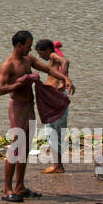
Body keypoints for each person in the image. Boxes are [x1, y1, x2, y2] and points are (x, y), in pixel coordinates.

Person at [0, 31, 63, 203]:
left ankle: (20, 186)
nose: (30, 48)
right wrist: (21, 82)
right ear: (19, 46)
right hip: (17, 108)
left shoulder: (29, 60)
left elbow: (48, 69)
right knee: (15, 148)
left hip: (29, 107)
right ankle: (7, 189)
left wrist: (65, 80)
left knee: (25, 149)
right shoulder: (8, 65)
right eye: (28, 45)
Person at [35, 39, 73, 174]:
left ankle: (57, 165)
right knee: (57, 132)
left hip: (55, 96)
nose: (41, 57)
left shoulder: (52, 56)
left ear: (46, 50)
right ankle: (59, 165)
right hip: (59, 96)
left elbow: (65, 61)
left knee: (51, 131)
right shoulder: (55, 58)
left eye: (40, 53)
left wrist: (63, 78)